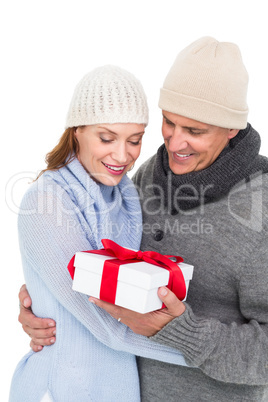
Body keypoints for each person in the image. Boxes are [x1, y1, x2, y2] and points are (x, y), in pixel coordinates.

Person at [18, 37, 268, 401]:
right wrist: (46, 305)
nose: (175, 143)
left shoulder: (260, 208)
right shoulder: (146, 175)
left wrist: (183, 333)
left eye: (195, 131)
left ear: (232, 129)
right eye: (169, 122)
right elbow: (102, 274)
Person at [10, 65, 187, 402]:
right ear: (76, 129)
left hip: (117, 386)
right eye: (107, 138)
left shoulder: (127, 196)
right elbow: (107, 323)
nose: (123, 155)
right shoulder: (48, 201)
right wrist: (217, 356)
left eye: (134, 140)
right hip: (62, 388)